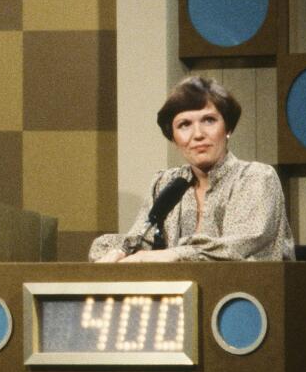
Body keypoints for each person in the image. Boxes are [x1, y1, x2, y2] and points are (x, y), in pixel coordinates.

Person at [89, 76, 294, 262]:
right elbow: (140, 239)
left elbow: (235, 248)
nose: (198, 134)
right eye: (184, 125)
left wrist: (171, 255)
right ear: (174, 139)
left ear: (228, 128)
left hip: (248, 297)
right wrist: (117, 253)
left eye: (209, 120)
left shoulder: (255, 178)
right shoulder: (166, 182)